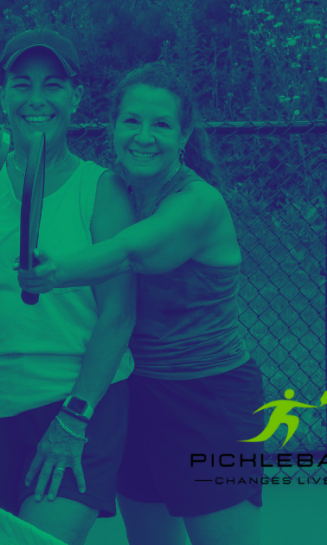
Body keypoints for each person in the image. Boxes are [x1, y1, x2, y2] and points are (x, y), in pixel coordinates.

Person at [17, 61, 265, 545]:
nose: (144, 136)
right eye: (132, 121)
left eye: (161, 124)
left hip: (209, 401)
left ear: (184, 133)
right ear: (113, 126)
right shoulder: (114, 191)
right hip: (136, 393)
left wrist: (54, 273)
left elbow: (132, 251)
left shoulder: (198, 203)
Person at [0, 29, 137, 545]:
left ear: (75, 95)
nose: (37, 99)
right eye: (22, 84)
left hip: (71, 404)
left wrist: (73, 419)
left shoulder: (102, 189)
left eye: (53, 84)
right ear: (2, 95)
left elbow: (118, 315)